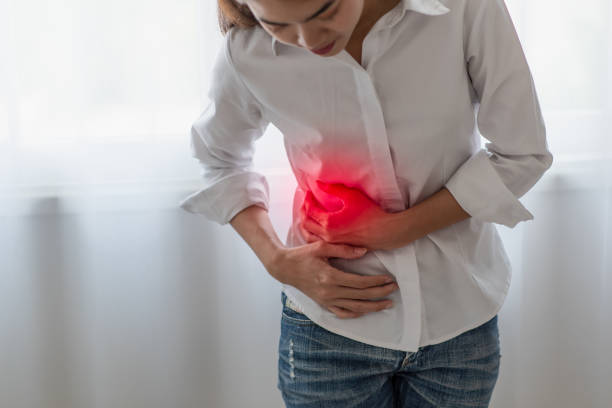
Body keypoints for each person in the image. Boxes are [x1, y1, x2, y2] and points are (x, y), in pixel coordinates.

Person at [179, 0, 553, 406]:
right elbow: (218, 158)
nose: (308, 40)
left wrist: (399, 228)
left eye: (324, 12)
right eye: (278, 25)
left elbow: (522, 153)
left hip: (460, 326)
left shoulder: (463, 9)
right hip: (327, 333)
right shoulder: (246, 50)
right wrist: (276, 260)